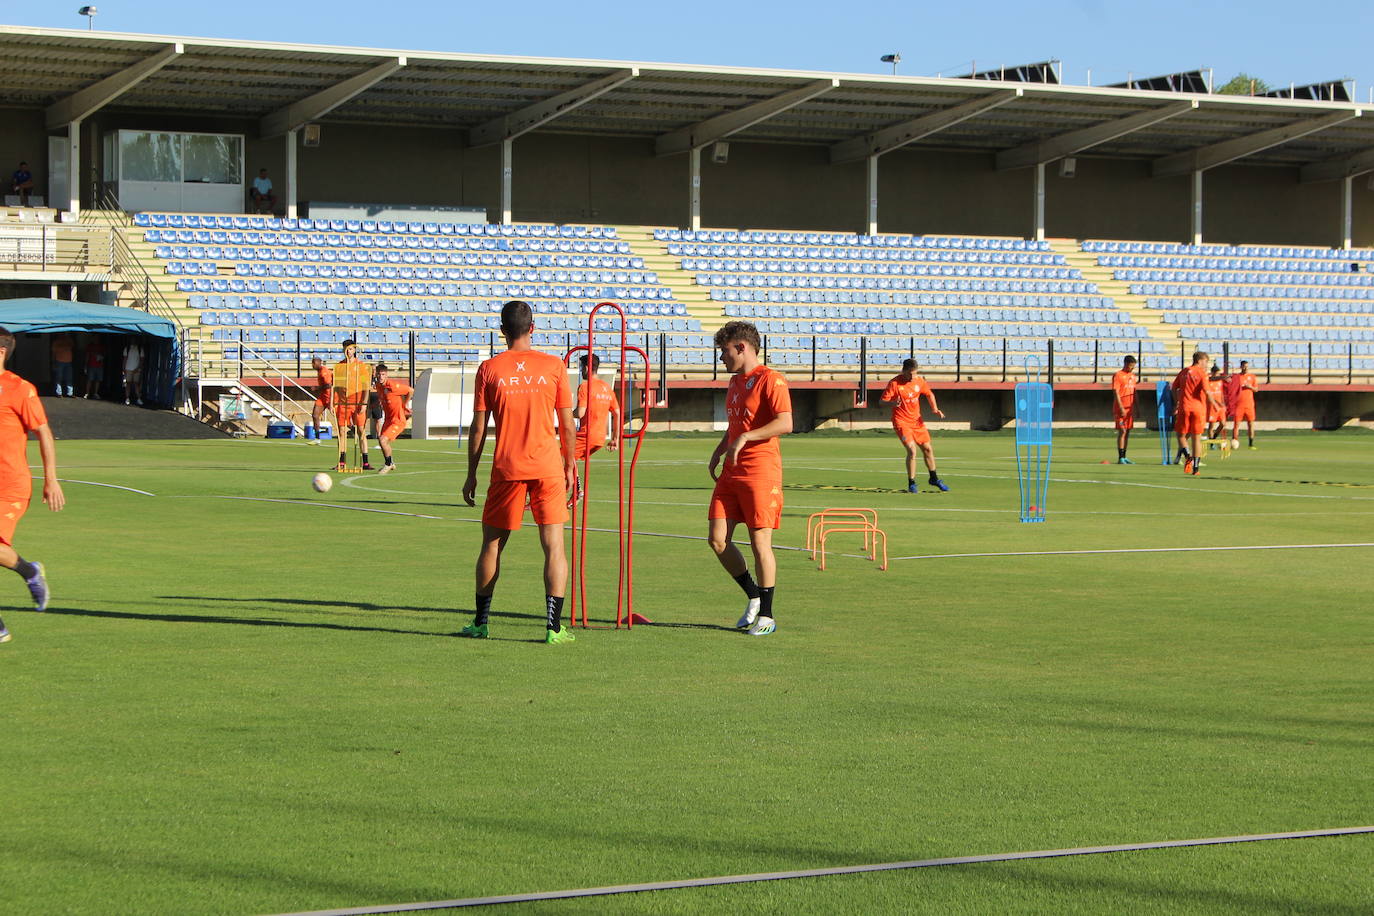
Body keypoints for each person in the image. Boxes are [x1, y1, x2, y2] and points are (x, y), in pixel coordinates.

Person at [460, 300, 576, 644]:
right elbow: (568, 425)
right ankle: (553, 629)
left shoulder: (489, 369)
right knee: (554, 547)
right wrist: (570, 464)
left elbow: (478, 428)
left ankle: (481, 623)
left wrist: (471, 474)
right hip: (548, 467)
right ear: (533, 327)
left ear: (501, 330)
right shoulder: (554, 366)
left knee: (492, 546)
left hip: (506, 467)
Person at [707, 320, 792, 636]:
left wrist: (745, 439)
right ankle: (753, 594)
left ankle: (767, 617)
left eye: (724, 351)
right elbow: (735, 427)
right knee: (717, 539)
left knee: (760, 543)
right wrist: (720, 450)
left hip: (760, 471)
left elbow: (785, 423)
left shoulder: (772, 380)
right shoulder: (734, 383)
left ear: (741, 347)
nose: (721, 359)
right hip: (731, 472)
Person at [0, 327, 64, 644]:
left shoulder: (19, 389)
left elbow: (44, 432)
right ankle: (29, 572)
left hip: (9, 486)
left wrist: (50, 479)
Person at [880, 358, 949, 493]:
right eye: (910, 374)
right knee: (912, 450)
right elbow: (882, 402)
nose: (913, 377)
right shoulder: (894, 383)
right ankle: (912, 483)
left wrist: (935, 409)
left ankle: (934, 478)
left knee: (928, 449)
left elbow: (929, 394)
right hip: (901, 422)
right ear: (903, 371)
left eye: (915, 373)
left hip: (917, 421)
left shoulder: (919, 381)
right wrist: (893, 403)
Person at [1172, 351, 1221, 476]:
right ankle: (1196, 468)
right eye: (1206, 362)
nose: (1206, 365)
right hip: (1198, 409)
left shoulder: (1184, 372)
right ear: (1199, 360)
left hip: (1184, 407)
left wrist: (1177, 402)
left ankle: (1188, 456)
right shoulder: (1201, 373)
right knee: (1196, 438)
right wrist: (1215, 405)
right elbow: (1207, 392)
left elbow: (1174, 388)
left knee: (1181, 435)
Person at [573, 352, 621, 466]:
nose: (580, 371)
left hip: (587, 435)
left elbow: (580, 413)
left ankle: (573, 483)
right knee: (569, 458)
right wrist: (615, 439)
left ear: (586, 367)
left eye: (581, 367)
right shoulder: (606, 387)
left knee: (559, 457)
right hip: (600, 438)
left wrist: (565, 414)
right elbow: (617, 413)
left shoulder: (585, 386)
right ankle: (573, 481)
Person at [331, 340, 372, 471]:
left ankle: (365, 462)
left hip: (358, 402)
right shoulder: (339, 367)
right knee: (342, 431)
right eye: (346, 349)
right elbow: (335, 386)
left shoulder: (362, 366)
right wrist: (333, 403)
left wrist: (364, 403)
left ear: (354, 350)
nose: (348, 352)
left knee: (361, 431)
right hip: (343, 403)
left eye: (350, 349)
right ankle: (341, 461)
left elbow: (366, 387)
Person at [373, 363, 413, 474]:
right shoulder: (378, 385)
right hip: (388, 419)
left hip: (398, 420)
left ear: (387, 375)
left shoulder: (392, 386)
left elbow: (410, 390)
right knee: (381, 441)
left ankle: (388, 464)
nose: (381, 376)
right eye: (379, 374)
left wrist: (405, 404)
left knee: (383, 440)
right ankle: (391, 462)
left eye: (383, 374)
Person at [1111, 355, 1137, 464]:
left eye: (1133, 367)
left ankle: (1125, 456)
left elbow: (1135, 392)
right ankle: (1120, 457)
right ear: (1126, 364)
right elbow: (1116, 392)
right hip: (1120, 409)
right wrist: (1121, 406)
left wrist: (1137, 407)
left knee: (1128, 433)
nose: (1132, 368)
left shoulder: (1133, 376)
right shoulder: (1118, 375)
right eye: (1131, 366)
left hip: (1130, 409)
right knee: (1122, 431)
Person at [1230, 359, 1260, 450]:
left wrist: (1249, 387)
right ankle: (1235, 441)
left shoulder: (1252, 377)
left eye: (1247, 366)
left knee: (1250, 424)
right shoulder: (1237, 377)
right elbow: (1232, 389)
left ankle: (1251, 444)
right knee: (1236, 424)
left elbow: (1256, 389)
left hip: (1249, 404)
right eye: (1244, 366)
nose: (1246, 368)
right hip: (1238, 405)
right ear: (1241, 367)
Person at [309, 356, 333, 444]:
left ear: (319, 363)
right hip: (323, 397)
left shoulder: (324, 372)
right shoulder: (319, 371)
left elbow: (329, 385)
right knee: (315, 415)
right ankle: (317, 438)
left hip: (330, 397)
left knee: (340, 418)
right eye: (312, 363)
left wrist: (316, 388)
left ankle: (355, 431)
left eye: (314, 363)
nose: (312, 365)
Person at [1206, 364, 1228, 445]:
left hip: (1220, 406)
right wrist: (1217, 403)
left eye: (1219, 374)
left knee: (1223, 424)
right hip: (1212, 406)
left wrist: (1223, 403)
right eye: (1217, 373)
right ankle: (1212, 443)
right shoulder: (1208, 381)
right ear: (1212, 373)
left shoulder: (1219, 381)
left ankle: (1214, 438)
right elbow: (1209, 395)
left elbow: (1221, 393)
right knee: (1211, 425)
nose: (1218, 375)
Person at [50, 334, 75, 398]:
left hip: (68, 361)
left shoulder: (68, 340)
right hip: (59, 361)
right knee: (59, 378)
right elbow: (53, 353)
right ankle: (59, 393)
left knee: (69, 378)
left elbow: (72, 346)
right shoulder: (56, 342)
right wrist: (53, 362)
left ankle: (70, 393)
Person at [122, 339, 143, 405]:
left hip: (137, 369)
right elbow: (125, 359)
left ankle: (138, 398)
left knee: (136, 384)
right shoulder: (127, 348)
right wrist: (123, 368)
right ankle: (127, 398)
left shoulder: (140, 349)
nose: (133, 341)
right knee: (128, 384)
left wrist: (138, 368)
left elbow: (142, 360)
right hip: (128, 368)